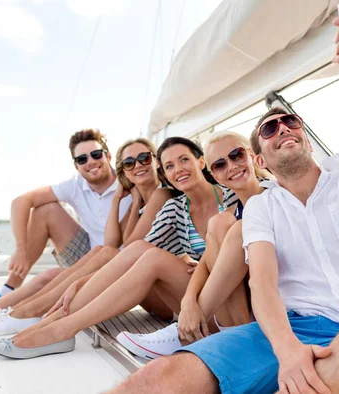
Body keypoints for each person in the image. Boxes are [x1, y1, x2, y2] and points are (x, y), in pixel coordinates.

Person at [107, 12, 339, 394]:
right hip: (291, 328)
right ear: (262, 161)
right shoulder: (261, 208)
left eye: (290, 122)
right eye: (269, 129)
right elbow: (265, 286)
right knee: (152, 380)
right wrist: (288, 352)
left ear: (307, 140)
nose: (282, 128)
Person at [0, 137, 239, 359]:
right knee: (143, 250)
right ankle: (51, 323)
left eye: (184, 160)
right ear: (164, 172)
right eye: (170, 166)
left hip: (235, 308)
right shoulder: (176, 209)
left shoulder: (232, 196)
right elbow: (130, 251)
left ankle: (61, 328)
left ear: (201, 162)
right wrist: (81, 282)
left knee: (149, 256)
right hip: (199, 303)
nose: (178, 169)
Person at [0, 137, 172, 346]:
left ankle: (27, 313)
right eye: (130, 163)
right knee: (94, 254)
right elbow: (117, 242)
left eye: (144, 158)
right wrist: (122, 200)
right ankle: (3, 312)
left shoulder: (161, 194)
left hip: (161, 294)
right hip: (136, 278)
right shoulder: (137, 199)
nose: (137, 165)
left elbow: (126, 248)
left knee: (104, 254)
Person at [115, 131, 270, 359]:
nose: (231, 166)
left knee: (223, 225)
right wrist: (188, 300)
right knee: (218, 224)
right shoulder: (227, 211)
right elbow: (207, 260)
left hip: (275, 301)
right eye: (219, 164)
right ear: (214, 174)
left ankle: (186, 333)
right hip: (245, 305)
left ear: (252, 155)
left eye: (236, 155)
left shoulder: (275, 196)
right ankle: (229, 334)